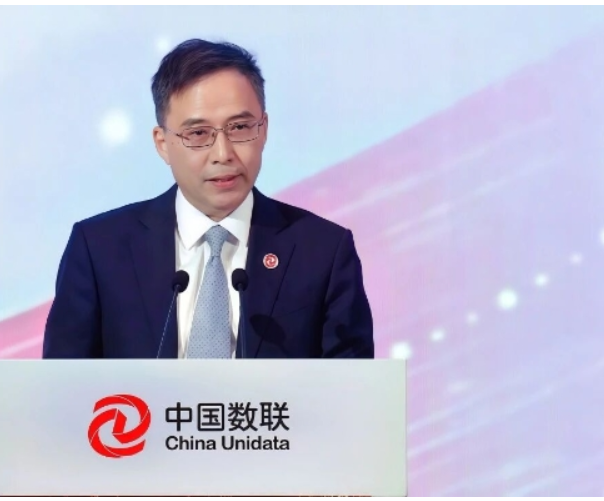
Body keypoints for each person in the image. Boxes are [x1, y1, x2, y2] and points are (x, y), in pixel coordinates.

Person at [43, 39, 373, 359]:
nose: (223, 153)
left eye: (240, 127)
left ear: (264, 130)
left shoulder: (323, 252)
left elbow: (350, 388)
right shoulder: (99, 250)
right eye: (198, 133)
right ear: (162, 143)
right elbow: (63, 386)